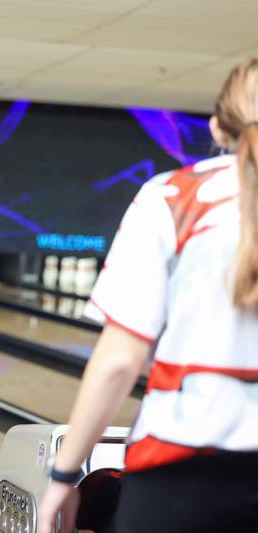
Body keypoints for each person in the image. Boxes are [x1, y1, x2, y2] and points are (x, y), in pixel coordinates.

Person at [38, 58, 258, 533]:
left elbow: (120, 360)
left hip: (178, 475)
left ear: (219, 128)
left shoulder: (173, 195)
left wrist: (63, 473)